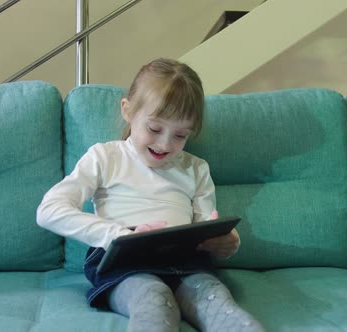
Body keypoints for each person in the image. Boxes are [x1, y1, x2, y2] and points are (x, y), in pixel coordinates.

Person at [37, 58, 264, 332]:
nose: (165, 144)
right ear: (128, 110)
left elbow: (207, 223)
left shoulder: (196, 168)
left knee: (218, 303)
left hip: (187, 264)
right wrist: (116, 235)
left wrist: (227, 242)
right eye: (154, 129)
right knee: (153, 300)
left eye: (180, 135)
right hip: (126, 266)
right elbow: (49, 210)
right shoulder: (105, 156)